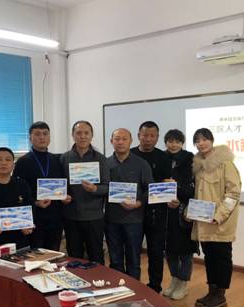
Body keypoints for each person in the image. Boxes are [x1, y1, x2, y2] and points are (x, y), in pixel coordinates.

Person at [191, 128, 241, 307]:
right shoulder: (198, 166)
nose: (201, 143)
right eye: (197, 140)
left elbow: (233, 194)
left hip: (220, 222)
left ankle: (220, 295)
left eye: (205, 139)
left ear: (212, 141)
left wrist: (219, 215)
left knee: (222, 258)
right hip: (204, 221)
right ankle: (211, 292)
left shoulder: (225, 164)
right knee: (210, 258)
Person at [105, 128, 153, 280]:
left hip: (134, 219)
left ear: (131, 141)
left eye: (124, 139)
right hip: (111, 220)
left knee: (133, 260)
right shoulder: (105, 164)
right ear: (111, 141)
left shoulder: (141, 164)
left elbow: (150, 189)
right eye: (117, 139)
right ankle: (118, 290)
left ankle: (134, 290)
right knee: (115, 260)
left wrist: (139, 203)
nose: (120, 142)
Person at [60, 120, 109, 264]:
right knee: (74, 257)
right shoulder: (64, 158)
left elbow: (107, 187)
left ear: (92, 135)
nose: (82, 136)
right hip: (71, 216)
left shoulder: (101, 159)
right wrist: (62, 196)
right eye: (78, 133)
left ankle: (97, 279)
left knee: (96, 257)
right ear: (73, 135)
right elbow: (60, 185)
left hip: (94, 217)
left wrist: (95, 189)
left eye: (86, 133)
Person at [14, 121, 67, 251]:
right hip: (34, 217)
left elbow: (63, 184)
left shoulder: (57, 160)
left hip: (55, 216)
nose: (42, 137)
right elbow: (17, 192)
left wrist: (66, 196)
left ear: (49, 137)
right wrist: (35, 203)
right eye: (37, 134)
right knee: (35, 255)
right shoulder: (22, 162)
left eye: (45, 134)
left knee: (53, 253)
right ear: (30, 138)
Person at [160, 129, 198, 300]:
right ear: (166, 142)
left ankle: (183, 282)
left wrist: (177, 191)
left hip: (184, 211)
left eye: (177, 141)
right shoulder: (161, 157)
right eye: (170, 141)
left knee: (185, 250)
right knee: (169, 249)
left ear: (182, 143)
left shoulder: (191, 159)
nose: (173, 144)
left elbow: (194, 188)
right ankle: (174, 279)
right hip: (164, 211)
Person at [130, 121, 168, 292]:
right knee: (133, 251)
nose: (148, 139)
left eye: (152, 136)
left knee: (156, 252)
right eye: (145, 135)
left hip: (156, 212)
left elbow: (167, 184)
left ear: (157, 138)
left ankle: (155, 287)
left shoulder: (163, 157)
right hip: (132, 212)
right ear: (138, 136)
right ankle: (132, 285)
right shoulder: (129, 154)